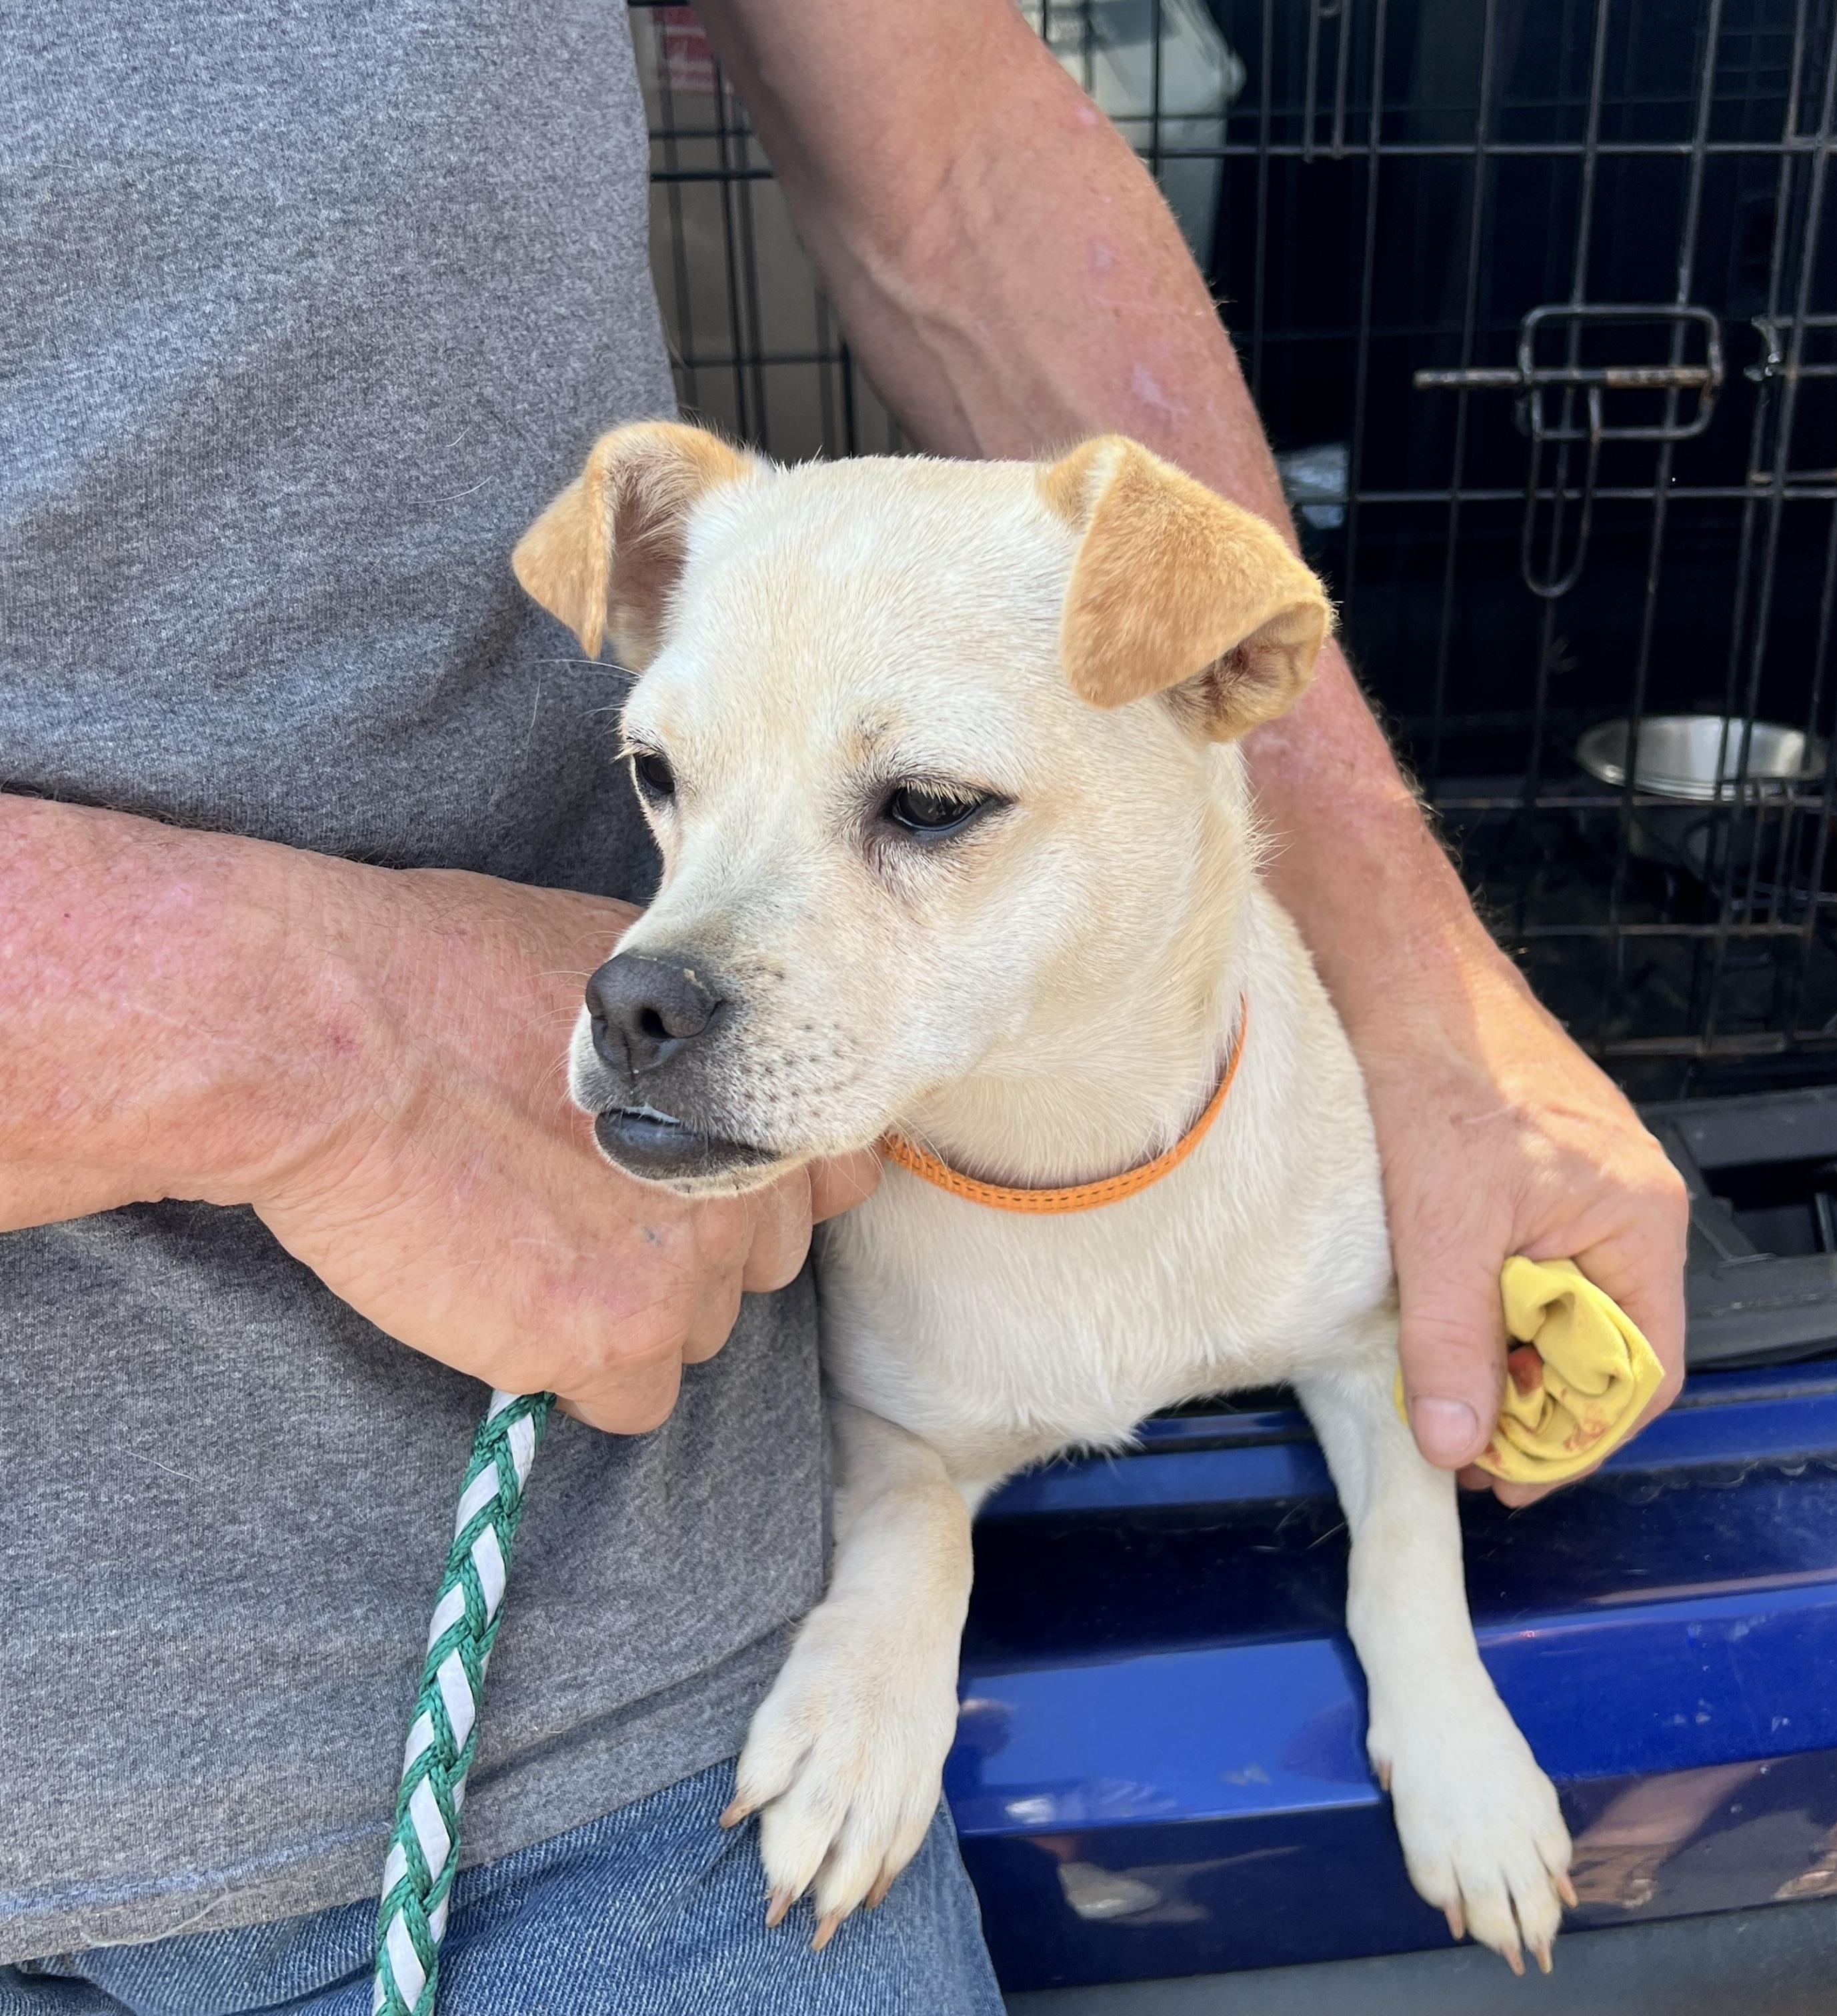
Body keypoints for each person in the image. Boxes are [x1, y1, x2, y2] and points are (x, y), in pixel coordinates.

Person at [0, 1, 1688, 2008]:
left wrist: (1433, 1011)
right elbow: (907, 1437)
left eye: (928, 809)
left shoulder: (1165, 774)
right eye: (667, 779)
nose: (670, 963)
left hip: (610, 1732)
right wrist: (306, 1045)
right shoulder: (840, 1175)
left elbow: (955, 147)